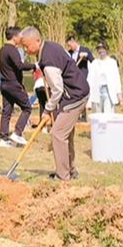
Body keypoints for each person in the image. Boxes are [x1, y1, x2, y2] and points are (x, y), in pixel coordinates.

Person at [20, 27, 89, 181]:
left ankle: (63, 176)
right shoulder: (50, 47)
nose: (26, 49)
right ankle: (70, 171)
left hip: (75, 95)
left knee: (58, 134)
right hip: (76, 92)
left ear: (37, 41)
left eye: (27, 46)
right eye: (23, 46)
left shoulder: (48, 58)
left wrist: (48, 109)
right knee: (66, 133)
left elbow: (57, 89)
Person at [0, 26, 36, 148]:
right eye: (20, 35)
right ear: (14, 37)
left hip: (4, 84)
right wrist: (34, 66)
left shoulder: (2, 49)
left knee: (6, 111)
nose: (22, 37)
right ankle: (18, 132)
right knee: (27, 108)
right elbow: (19, 65)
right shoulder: (12, 49)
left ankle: (3, 139)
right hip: (13, 84)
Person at [87, 43, 122, 114]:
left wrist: (119, 94)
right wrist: (88, 99)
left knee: (108, 115)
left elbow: (116, 79)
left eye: (103, 49)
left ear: (107, 50)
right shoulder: (94, 63)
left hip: (108, 91)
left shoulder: (112, 63)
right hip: (97, 91)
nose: (101, 51)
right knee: (97, 115)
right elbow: (90, 79)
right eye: (99, 50)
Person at [66, 34, 94, 121]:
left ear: (73, 41)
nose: (69, 47)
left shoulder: (84, 50)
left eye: (69, 45)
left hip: (82, 77)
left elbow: (93, 60)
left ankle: (83, 116)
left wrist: (86, 56)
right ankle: (76, 115)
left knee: (82, 96)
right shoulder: (69, 53)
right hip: (73, 78)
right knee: (75, 96)